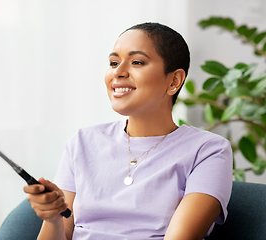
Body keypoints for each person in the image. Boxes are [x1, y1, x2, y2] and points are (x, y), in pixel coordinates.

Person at [24, 22, 233, 240]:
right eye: (114, 62)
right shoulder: (83, 142)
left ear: (174, 80)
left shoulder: (209, 150)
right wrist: (53, 218)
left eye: (137, 62)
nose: (118, 72)